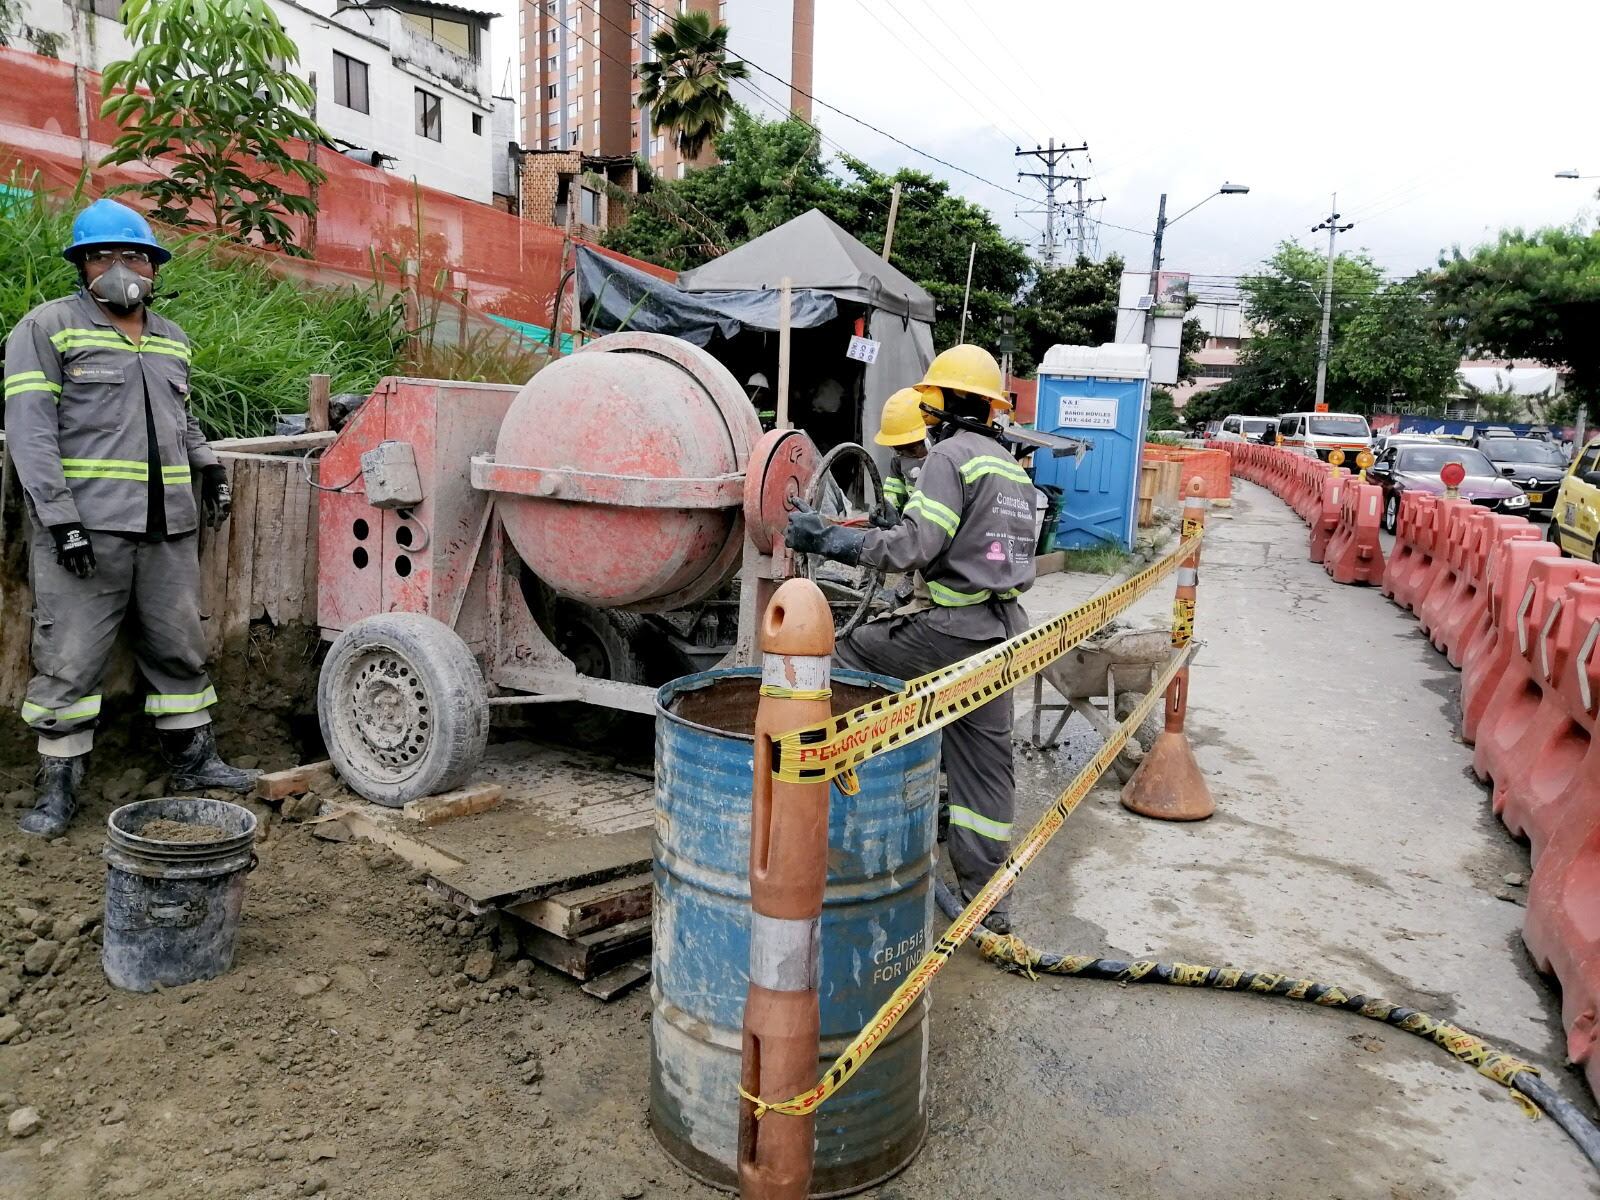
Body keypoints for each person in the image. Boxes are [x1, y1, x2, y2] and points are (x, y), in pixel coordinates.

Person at [3, 198, 259, 838]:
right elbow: (29, 435)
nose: (123, 267)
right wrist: (61, 521)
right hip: (87, 531)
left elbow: (180, 419)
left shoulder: (172, 338)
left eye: (135, 255)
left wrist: (209, 466)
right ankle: (58, 791)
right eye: (105, 256)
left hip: (168, 529)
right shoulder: (46, 329)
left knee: (180, 651)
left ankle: (196, 764)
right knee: (69, 658)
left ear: (154, 265)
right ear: (82, 266)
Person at [785, 345, 1035, 933]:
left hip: (950, 630)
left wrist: (826, 539)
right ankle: (988, 903)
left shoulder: (950, 456)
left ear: (947, 401)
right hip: (1004, 635)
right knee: (986, 767)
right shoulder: (1010, 467)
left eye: (932, 402)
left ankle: (846, 802)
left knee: (846, 653)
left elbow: (913, 550)